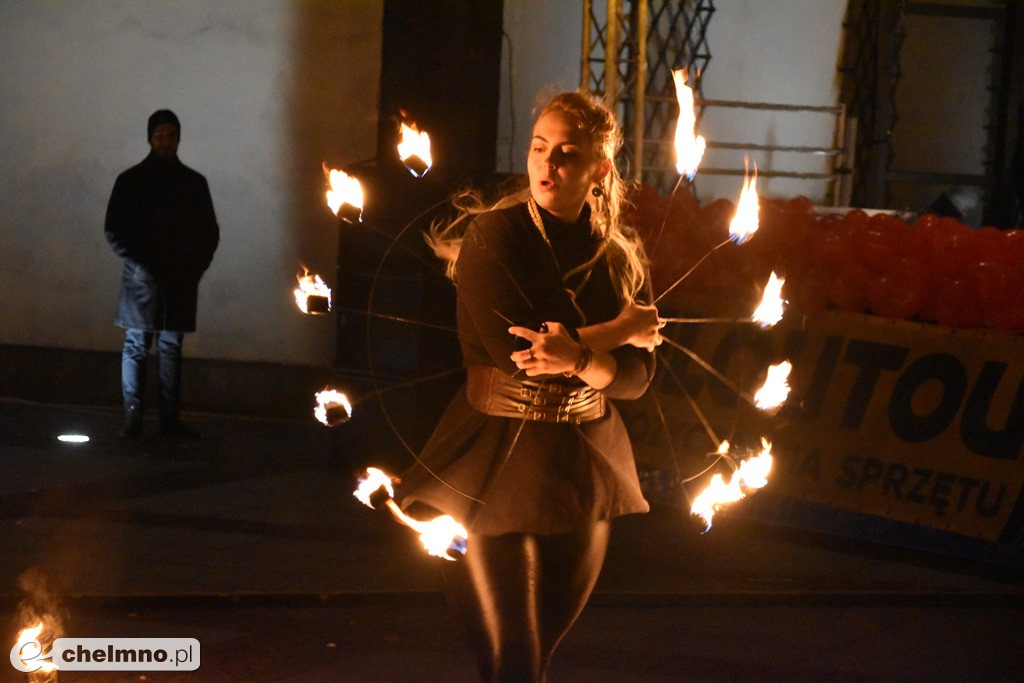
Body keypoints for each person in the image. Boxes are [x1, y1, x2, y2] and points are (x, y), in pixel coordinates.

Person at [397, 90, 663, 681]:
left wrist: (578, 359)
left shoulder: (613, 253)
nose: (547, 164)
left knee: (533, 664)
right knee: (513, 661)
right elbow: (519, 357)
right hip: (492, 466)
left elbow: (639, 380)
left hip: (584, 466)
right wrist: (616, 332)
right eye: (539, 148)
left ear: (598, 170)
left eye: (566, 153)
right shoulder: (498, 236)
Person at [104, 109, 219, 439]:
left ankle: (168, 419)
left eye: (170, 136)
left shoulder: (194, 183)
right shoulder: (130, 181)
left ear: (178, 138)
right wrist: (143, 264)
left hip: (177, 280)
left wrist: (195, 268)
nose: (165, 142)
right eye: (160, 136)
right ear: (150, 139)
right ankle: (134, 417)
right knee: (139, 345)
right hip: (145, 281)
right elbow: (114, 230)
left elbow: (208, 232)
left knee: (167, 348)